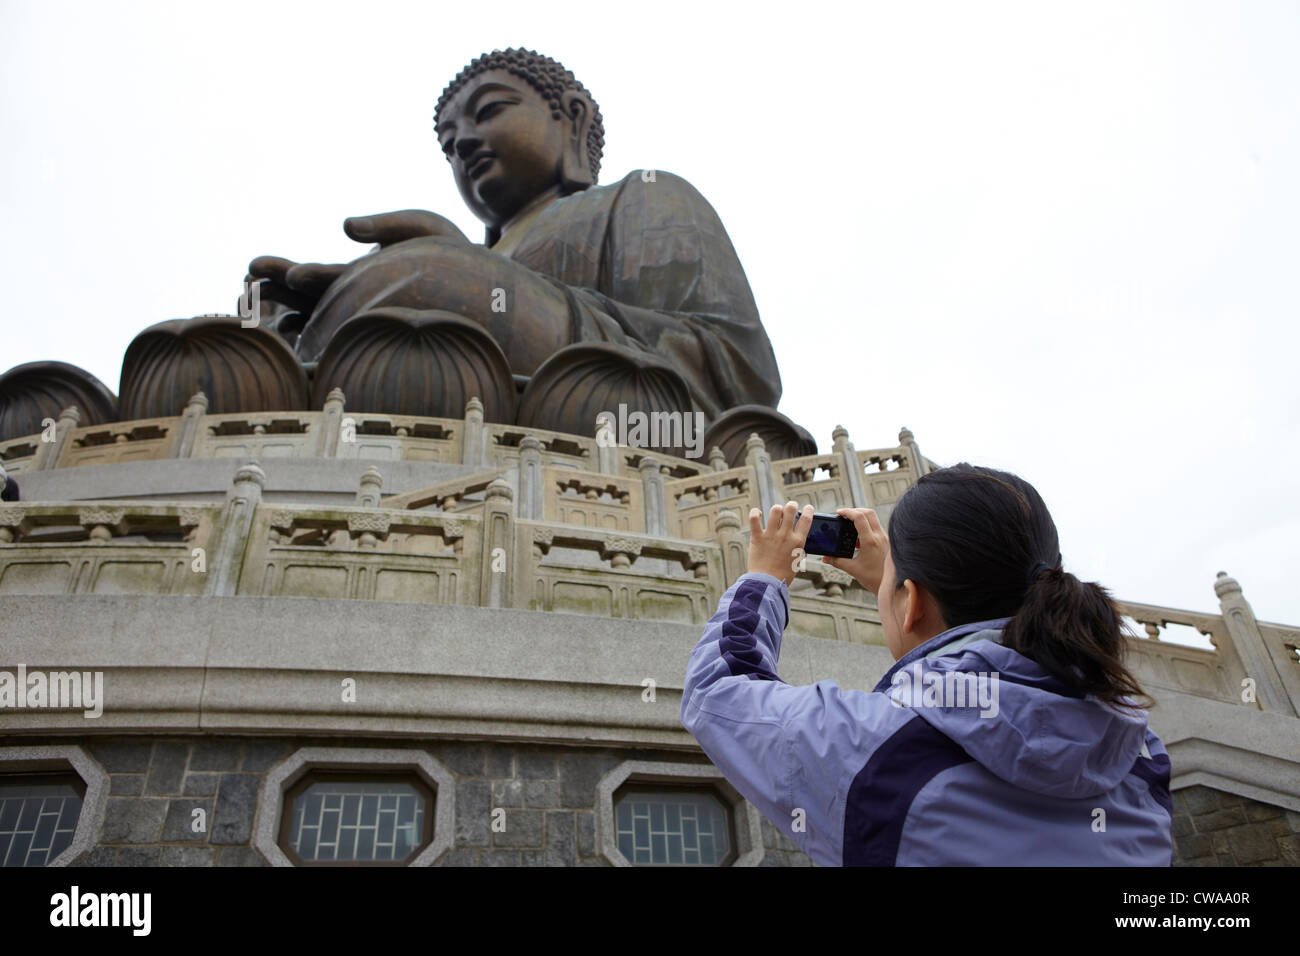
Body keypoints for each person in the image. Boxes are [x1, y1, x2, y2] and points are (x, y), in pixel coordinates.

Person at [681, 463, 1173, 866]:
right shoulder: (1135, 747)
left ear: (912, 601)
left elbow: (717, 692)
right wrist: (900, 592)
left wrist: (764, 579)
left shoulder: (879, 751)